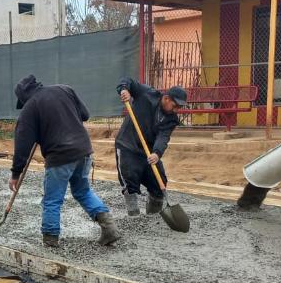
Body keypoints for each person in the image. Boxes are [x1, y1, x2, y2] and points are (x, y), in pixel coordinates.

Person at [10, 74, 120, 248]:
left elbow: (22, 143)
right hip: (84, 151)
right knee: (83, 191)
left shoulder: (30, 107)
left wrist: (16, 173)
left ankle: (50, 239)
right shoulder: (64, 89)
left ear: (23, 96)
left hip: (60, 155)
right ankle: (109, 228)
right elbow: (85, 114)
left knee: (52, 200)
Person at [114, 78, 186, 216]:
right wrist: (124, 90)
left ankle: (153, 216)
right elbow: (128, 81)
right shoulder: (147, 94)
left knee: (159, 182)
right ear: (166, 98)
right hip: (128, 145)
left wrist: (157, 153)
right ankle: (134, 217)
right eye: (175, 105)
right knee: (130, 182)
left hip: (148, 152)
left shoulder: (171, 119)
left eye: (180, 107)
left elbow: (163, 137)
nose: (177, 110)